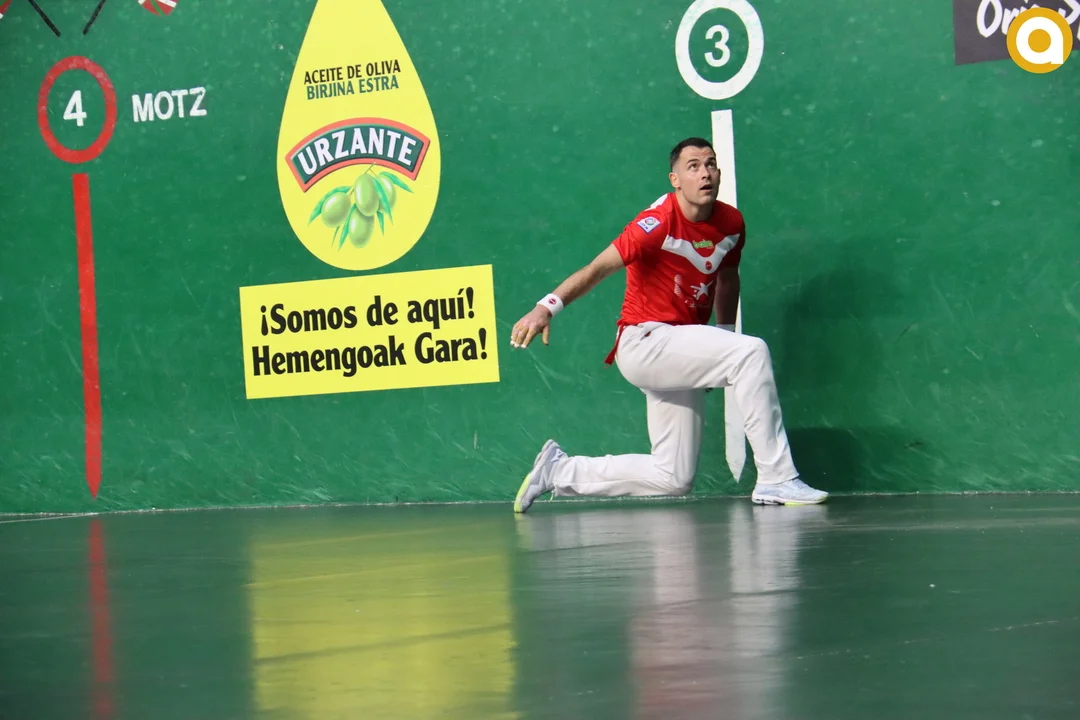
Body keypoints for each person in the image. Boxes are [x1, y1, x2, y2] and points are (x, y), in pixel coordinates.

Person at [508, 137, 828, 512]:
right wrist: (546, 307)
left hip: (681, 344)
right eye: (693, 166)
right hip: (644, 341)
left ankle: (559, 472)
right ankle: (776, 478)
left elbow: (728, 279)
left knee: (673, 476)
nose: (705, 173)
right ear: (674, 179)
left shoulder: (731, 223)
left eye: (710, 164)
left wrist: (722, 337)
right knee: (751, 352)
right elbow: (597, 269)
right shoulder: (655, 224)